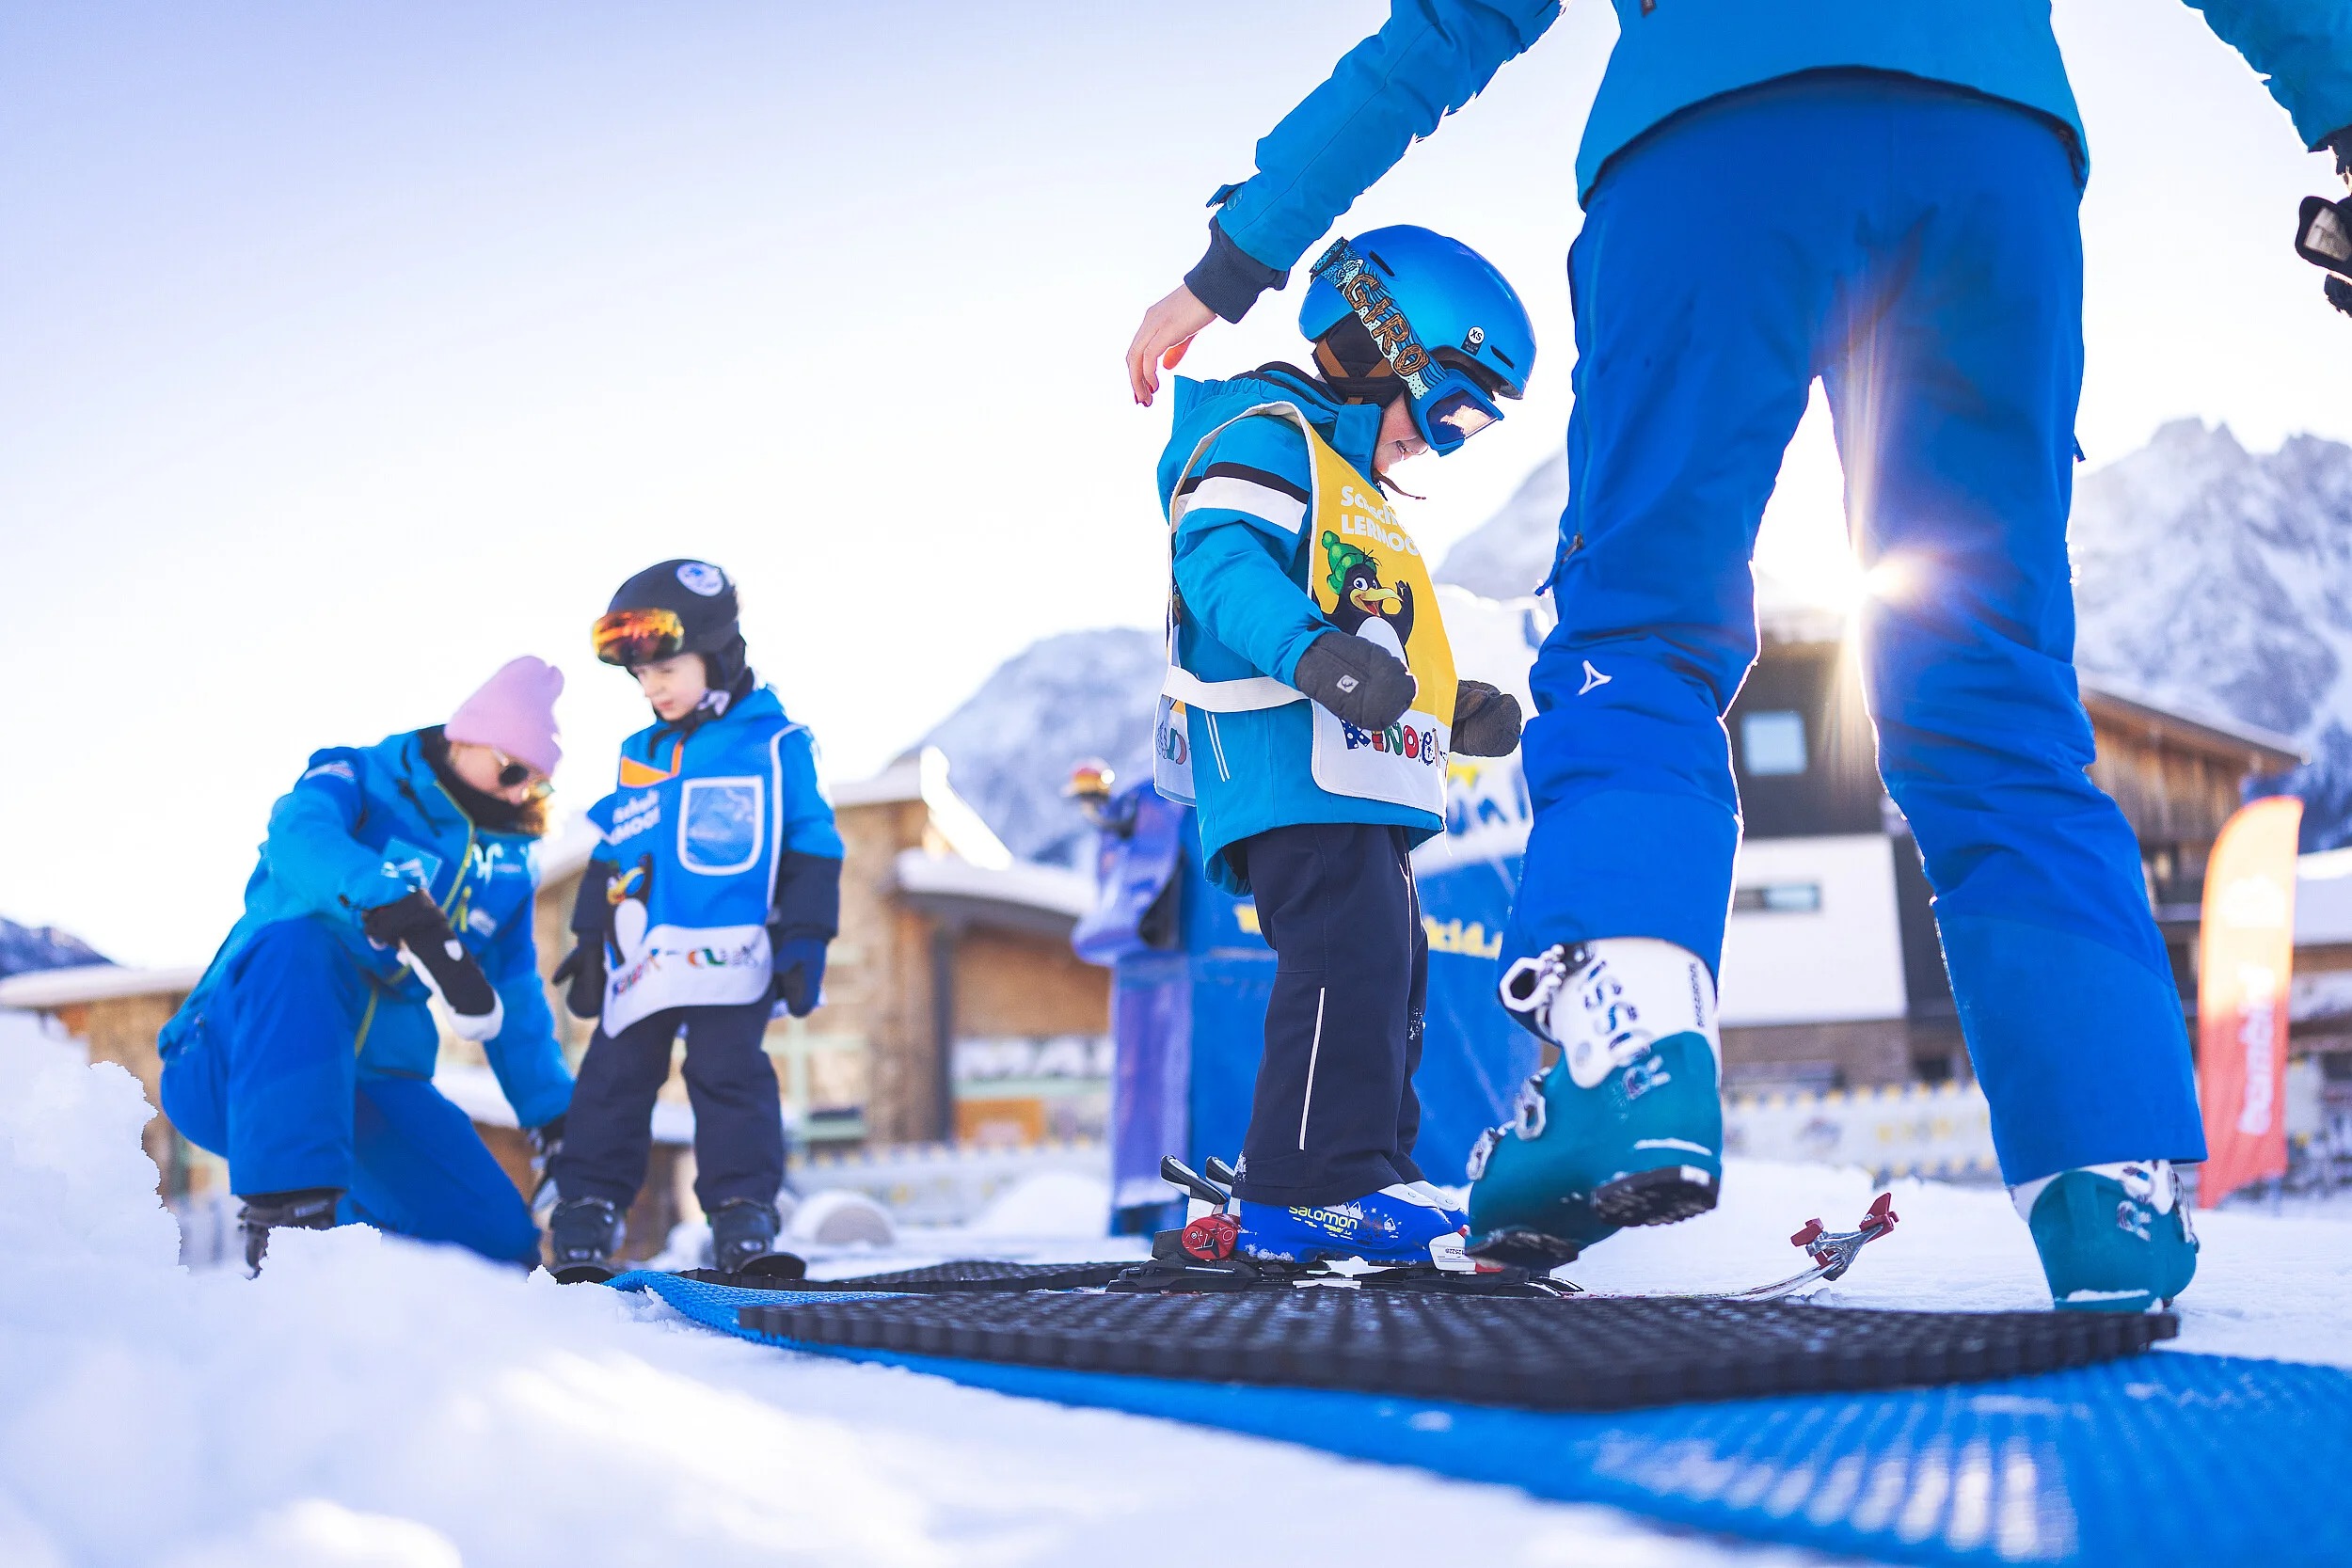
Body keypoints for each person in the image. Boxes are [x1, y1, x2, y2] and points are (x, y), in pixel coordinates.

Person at [1124, 4, 2352, 1310]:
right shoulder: (1280, 446)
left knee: (1642, 626)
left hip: (1711, 132)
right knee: (1993, 683)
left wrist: (1236, 254)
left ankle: (1628, 1050)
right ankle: (2108, 1170)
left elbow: (1452, 21)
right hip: (1991, 146)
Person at [1152, 225, 1529, 1266]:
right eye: (1450, 407)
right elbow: (1218, 564)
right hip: (1286, 762)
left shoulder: (1349, 477)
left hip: (1361, 776)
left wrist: (1452, 708)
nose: (1445, 440)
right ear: (1377, 348)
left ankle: (1367, 1168)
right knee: (1340, 954)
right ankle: (1303, 1185)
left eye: (1473, 426)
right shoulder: (1267, 432)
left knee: (1393, 963)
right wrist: (1312, 655)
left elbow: (1381, 632)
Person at [158, 657, 574, 1273]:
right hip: (233, 1058)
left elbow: (513, 998)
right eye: (512, 768)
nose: (519, 792)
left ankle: (390, 1302)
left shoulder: (507, 867)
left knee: (498, 1247)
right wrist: (390, 900)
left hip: (368, 1089)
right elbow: (298, 834)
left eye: (534, 782)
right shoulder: (358, 775)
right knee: (302, 943)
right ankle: (287, 1229)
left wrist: (555, 1115)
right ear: (464, 736)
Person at [546, 560, 843, 1277]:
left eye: (667, 669)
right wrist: (589, 937)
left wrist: (805, 936)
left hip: (730, 951)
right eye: (641, 678)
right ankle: (586, 1216)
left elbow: (812, 841)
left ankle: (743, 1219)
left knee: (730, 1075)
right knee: (612, 1078)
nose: (654, 689)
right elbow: (614, 849)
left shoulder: (775, 742)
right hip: (644, 956)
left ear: (718, 649)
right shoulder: (639, 755)